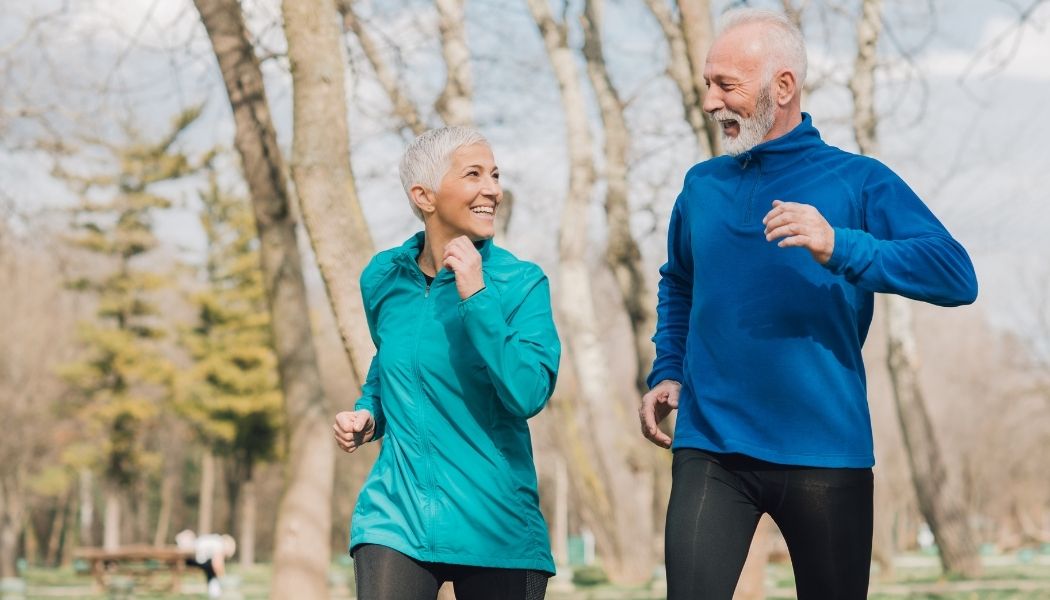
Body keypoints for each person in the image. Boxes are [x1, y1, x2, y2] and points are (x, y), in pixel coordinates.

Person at [638, 8, 977, 600]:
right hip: (711, 444)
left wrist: (841, 245)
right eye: (707, 85)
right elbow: (680, 284)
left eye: (727, 85)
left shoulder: (858, 181)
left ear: (783, 86)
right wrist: (668, 368)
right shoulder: (701, 186)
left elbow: (956, 275)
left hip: (825, 449)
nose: (712, 101)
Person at [332, 126, 560, 600]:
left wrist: (476, 295)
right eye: (474, 174)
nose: (492, 189)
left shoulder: (521, 283)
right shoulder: (383, 277)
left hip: (497, 522)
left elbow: (528, 393)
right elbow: (389, 360)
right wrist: (369, 411)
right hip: (397, 514)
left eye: (495, 175)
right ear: (425, 195)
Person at [174, 529, 236, 599]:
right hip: (189, 558)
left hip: (190, 557)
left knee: (210, 567)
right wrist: (223, 578)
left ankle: (214, 591)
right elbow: (217, 564)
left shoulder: (215, 539)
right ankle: (215, 592)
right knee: (211, 567)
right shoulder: (219, 543)